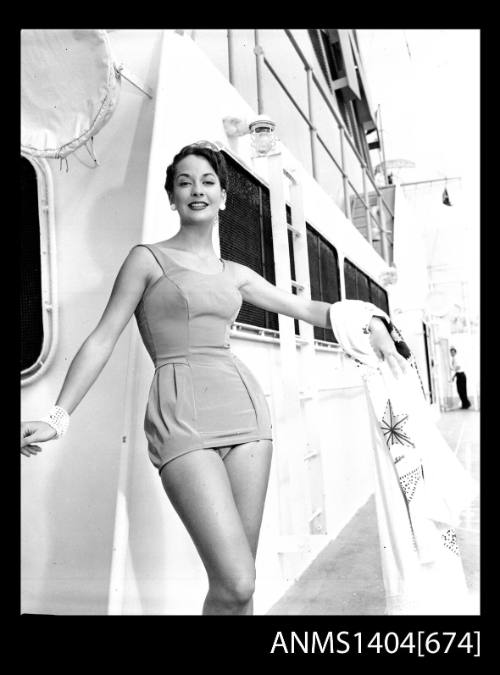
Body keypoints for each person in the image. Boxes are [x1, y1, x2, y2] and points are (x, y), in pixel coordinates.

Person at [20, 141, 405, 616]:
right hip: (179, 416)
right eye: (184, 182)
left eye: (207, 182)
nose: (196, 190)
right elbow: (102, 338)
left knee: (239, 585)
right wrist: (57, 418)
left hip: (245, 414)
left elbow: (307, 307)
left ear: (224, 196)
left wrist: (371, 320)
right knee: (236, 580)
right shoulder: (146, 259)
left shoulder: (236, 274)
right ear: (172, 197)